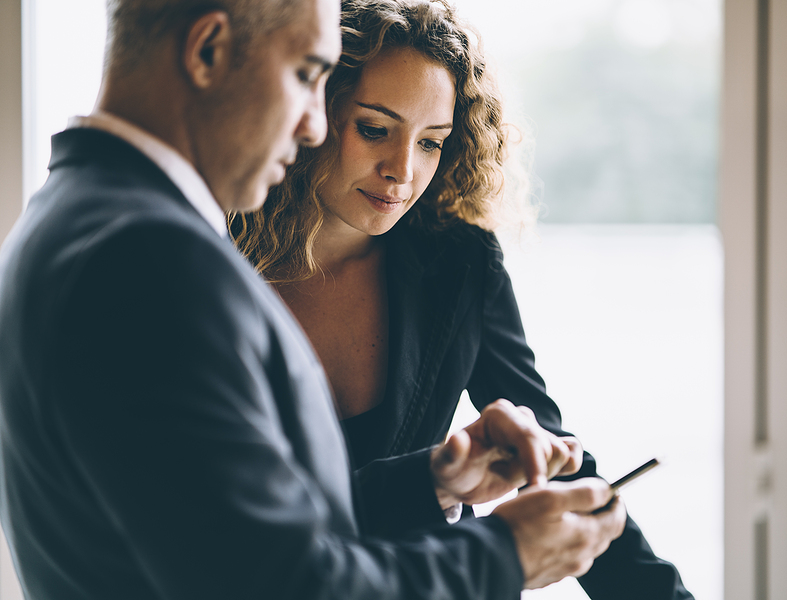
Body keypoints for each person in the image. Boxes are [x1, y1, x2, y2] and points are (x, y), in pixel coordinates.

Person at [0, 0, 629, 598]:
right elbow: (282, 587)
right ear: (209, 50)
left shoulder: (66, 220)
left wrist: (428, 482)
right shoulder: (155, 258)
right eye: (306, 76)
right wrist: (506, 555)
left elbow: (217, 530)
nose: (310, 124)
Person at [232, 0, 694, 598]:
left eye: (431, 143)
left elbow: (547, 453)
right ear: (310, 113)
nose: (402, 171)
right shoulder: (221, 259)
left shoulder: (457, 262)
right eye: (376, 129)